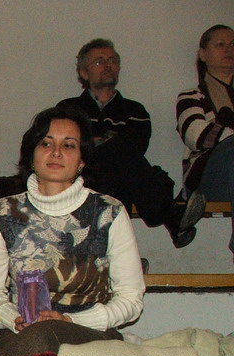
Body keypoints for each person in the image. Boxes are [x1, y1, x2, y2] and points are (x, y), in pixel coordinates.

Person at [0, 105, 145, 356]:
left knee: (42, 336)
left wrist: (69, 322)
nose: (56, 153)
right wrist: (12, 318)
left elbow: (131, 299)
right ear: (31, 155)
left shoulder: (109, 212)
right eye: (46, 143)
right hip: (22, 334)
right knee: (31, 341)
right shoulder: (4, 213)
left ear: (81, 160)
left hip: (90, 336)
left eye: (68, 145)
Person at [57, 38, 205, 248]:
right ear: (84, 72)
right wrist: (105, 142)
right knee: (119, 150)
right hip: (81, 177)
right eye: (99, 61)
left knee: (119, 160)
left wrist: (96, 142)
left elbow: (136, 149)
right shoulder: (68, 108)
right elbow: (65, 147)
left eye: (112, 60)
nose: (108, 65)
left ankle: (111, 254)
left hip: (117, 180)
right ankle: (170, 216)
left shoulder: (135, 110)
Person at [176, 24, 234, 259]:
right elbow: (197, 135)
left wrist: (222, 127)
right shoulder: (191, 96)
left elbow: (212, 133)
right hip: (207, 181)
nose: (229, 49)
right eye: (220, 44)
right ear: (203, 54)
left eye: (233, 45)